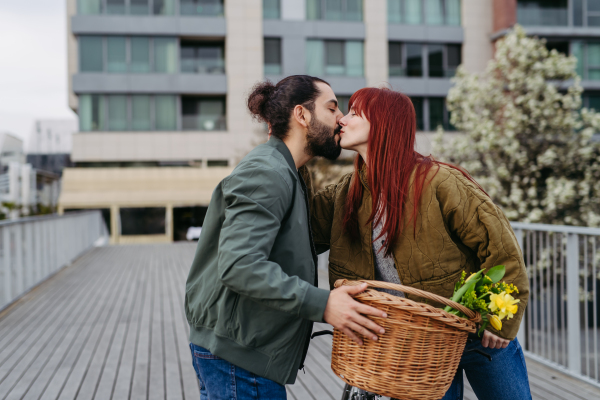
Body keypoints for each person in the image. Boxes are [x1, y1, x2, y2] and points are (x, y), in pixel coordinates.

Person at [309, 87, 532, 400]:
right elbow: (302, 229)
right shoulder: (346, 192)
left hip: (478, 336)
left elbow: (502, 252)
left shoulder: (442, 182)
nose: (343, 120)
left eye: (355, 113)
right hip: (417, 347)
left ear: (384, 124)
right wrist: (302, 146)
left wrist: (501, 322)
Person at [184, 76, 387, 400]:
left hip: (241, 354)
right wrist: (323, 305)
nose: (341, 118)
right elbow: (239, 265)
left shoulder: (288, 172)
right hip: (240, 359)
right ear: (302, 115)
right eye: (332, 107)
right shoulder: (267, 171)